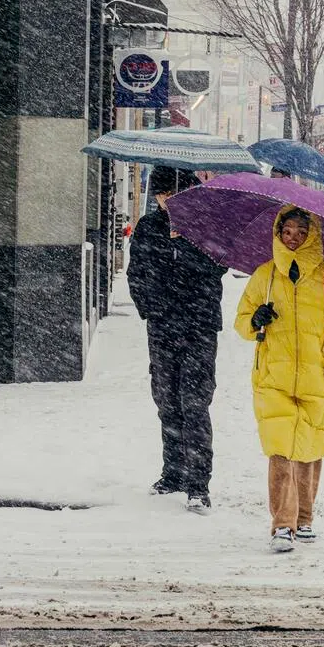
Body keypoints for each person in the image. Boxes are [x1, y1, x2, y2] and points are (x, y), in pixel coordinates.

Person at [235, 206, 324, 553]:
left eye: (299, 231)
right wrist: (255, 321)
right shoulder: (264, 276)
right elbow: (242, 322)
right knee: (280, 449)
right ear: (277, 234)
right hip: (273, 377)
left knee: (309, 449)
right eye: (286, 230)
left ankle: (305, 519)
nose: (292, 237)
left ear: (312, 235)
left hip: (315, 379)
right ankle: (282, 524)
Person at [127, 166, 225, 513]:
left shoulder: (207, 224)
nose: (166, 199)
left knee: (194, 403)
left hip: (198, 326)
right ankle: (173, 472)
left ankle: (199, 483)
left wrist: (183, 248)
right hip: (163, 326)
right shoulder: (148, 227)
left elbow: (217, 268)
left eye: (172, 193)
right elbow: (136, 273)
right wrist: (152, 308)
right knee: (166, 400)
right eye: (161, 194)